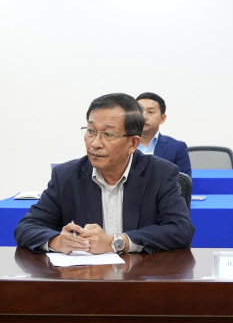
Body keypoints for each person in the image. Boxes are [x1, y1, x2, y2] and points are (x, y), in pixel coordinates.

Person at [15, 93, 195, 254]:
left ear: (133, 144)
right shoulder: (66, 175)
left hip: (141, 275)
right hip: (85, 277)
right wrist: (58, 241)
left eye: (108, 134)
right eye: (91, 131)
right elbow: (26, 227)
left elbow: (180, 230)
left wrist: (116, 242)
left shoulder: (160, 173)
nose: (95, 143)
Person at [135, 92, 192, 176]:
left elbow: (183, 181)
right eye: (140, 111)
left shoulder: (177, 148)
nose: (144, 117)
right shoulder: (122, 144)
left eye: (150, 112)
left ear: (162, 118)